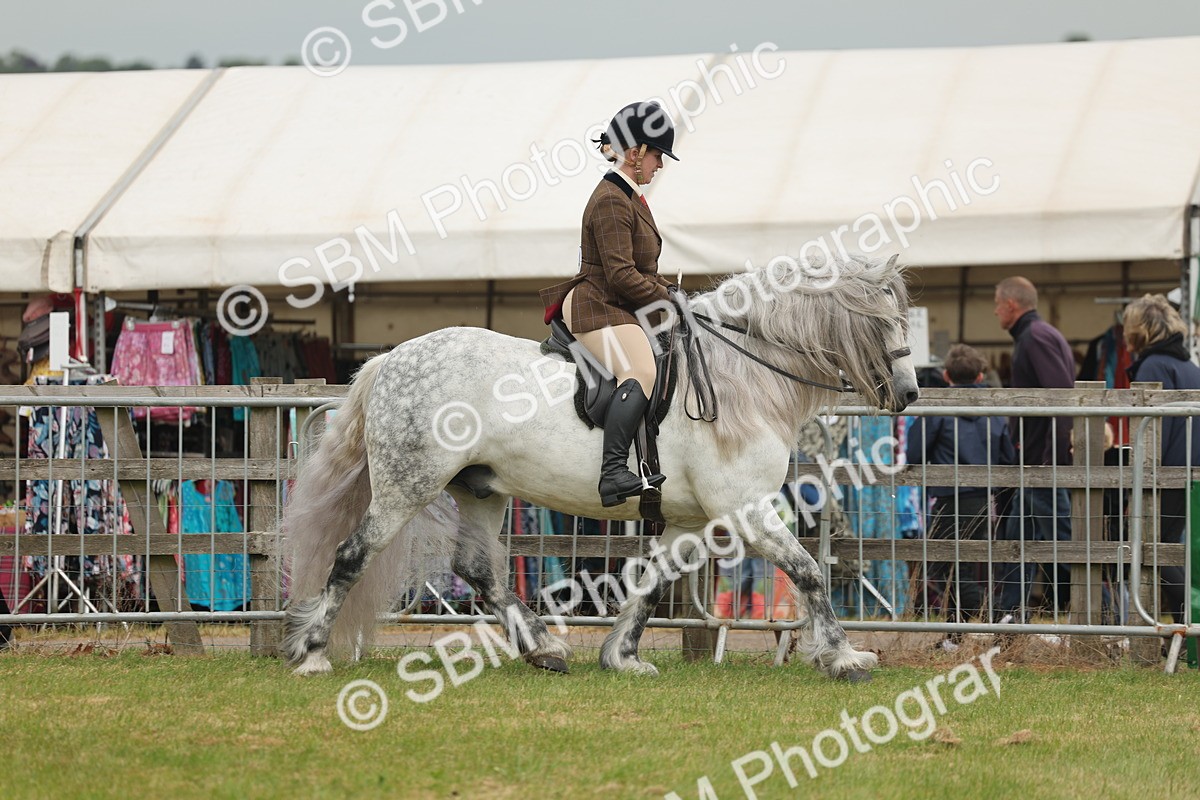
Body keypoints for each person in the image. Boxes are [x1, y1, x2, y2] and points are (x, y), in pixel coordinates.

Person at [539, 101, 679, 507]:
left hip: (615, 302)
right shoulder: (611, 201)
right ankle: (614, 472)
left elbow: (640, 270)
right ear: (635, 153)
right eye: (657, 155)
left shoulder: (629, 197)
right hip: (597, 303)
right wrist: (668, 299)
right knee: (640, 368)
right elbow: (620, 275)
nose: (659, 165)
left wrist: (676, 292)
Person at [906, 344, 1016, 646]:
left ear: (945, 375)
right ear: (981, 376)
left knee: (938, 566)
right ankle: (954, 638)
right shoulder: (993, 411)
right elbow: (1008, 458)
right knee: (962, 566)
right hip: (984, 500)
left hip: (949, 498)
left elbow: (913, 451)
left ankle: (997, 616)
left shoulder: (939, 409)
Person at [993, 276, 1075, 621]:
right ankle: (1009, 616)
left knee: (1068, 541)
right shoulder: (1038, 334)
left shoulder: (1035, 337)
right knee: (1018, 538)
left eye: (997, 305)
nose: (996, 312)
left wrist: (1048, 459)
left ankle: (1110, 613)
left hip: (1042, 464)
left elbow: (1060, 397)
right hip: (1035, 462)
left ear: (1011, 305)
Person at [1124, 294, 1200, 624]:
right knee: (1169, 547)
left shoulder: (1153, 366)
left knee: (1155, 547)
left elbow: (1154, 431)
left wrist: (1140, 480)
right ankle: (1185, 626)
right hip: (1188, 471)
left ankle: (1189, 621)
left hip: (1165, 471)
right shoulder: (1188, 366)